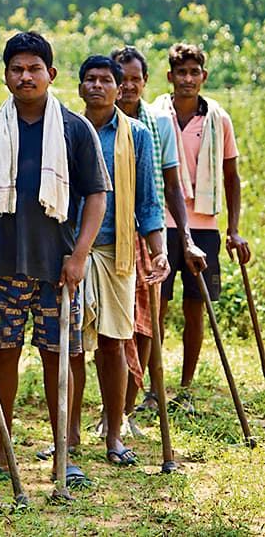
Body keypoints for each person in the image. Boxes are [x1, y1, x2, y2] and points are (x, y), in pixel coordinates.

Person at [0, 32, 109, 489]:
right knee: (2, 356)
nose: (25, 76)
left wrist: (79, 256)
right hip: (1, 264)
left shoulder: (74, 129)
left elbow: (97, 196)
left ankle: (68, 452)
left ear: (51, 75)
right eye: (17, 69)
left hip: (58, 268)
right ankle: (2, 454)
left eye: (34, 69)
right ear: (6, 76)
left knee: (62, 357)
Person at [70, 55, 167, 466]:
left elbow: (148, 201)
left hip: (117, 254)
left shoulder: (137, 136)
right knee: (69, 347)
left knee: (113, 345)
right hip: (69, 253)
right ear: (79, 88)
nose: (97, 86)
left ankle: (113, 433)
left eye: (105, 80)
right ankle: (69, 437)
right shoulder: (66, 130)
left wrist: (159, 249)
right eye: (89, 79)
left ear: (119, 87)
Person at [109, 46, 206, 420]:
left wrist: (184, 239)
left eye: (135, 79)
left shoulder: (158, 125)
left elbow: (171, 188)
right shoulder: (95, 122)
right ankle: (113, 404)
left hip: (147, 233)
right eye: (122, 78)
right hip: (106, 235)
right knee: (112, 324)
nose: (128, 86)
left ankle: (130, 404)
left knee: (145, 320)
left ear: (146, 82)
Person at [151, 43, 247, 414]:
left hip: (204, 224)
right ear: (170, 76)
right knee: (155, 305)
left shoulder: (218, 119)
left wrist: (233, 229)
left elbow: (231, 174)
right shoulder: (155, 116)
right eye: (181, 73)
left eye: (195, 73)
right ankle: (152, 386)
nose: (188, 79)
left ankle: (185, 388)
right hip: (162, 222)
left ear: (203, 77)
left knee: (197, 306)